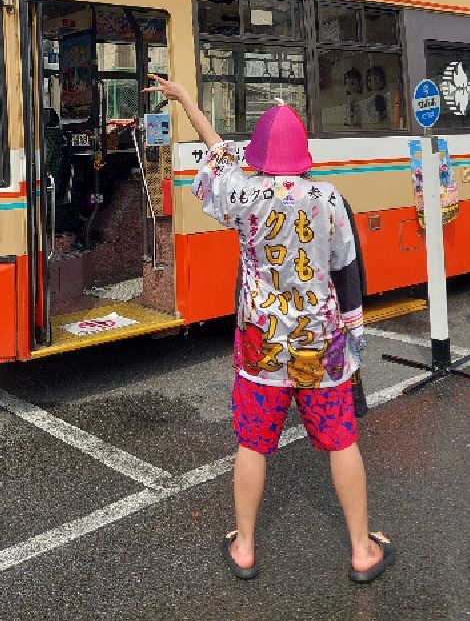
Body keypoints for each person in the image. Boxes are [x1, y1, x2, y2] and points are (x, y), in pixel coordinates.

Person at [143, 73, 396, 584]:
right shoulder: (329, 200)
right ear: (303, 156)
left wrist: (186, 101)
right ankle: (361, 550)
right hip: (321, 345)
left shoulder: (244, 195)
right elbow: (349, 274)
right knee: (342, 442)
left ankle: (245, 546)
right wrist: (353, 340)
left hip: (260, 347)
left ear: (257, 155)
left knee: (253, 444)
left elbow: (217, 155)